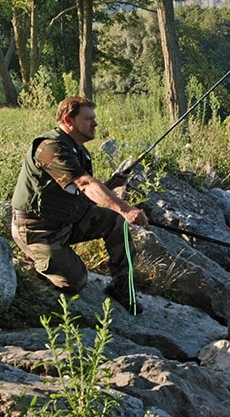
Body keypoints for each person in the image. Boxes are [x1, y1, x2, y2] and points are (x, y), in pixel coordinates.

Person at [11, 96, 148, 313]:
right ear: (68, 120)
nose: (95, 123)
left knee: (116, 222)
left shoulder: (77, 150)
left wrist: (112, 184)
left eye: (94, 118)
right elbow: (84, 184)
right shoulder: (50, 147)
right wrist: (125, 208)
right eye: (88, 119)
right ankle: (33, 262)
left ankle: (122, 288)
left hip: (66, 222)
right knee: (76, 282)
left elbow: (76, 192)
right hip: (38, 230)